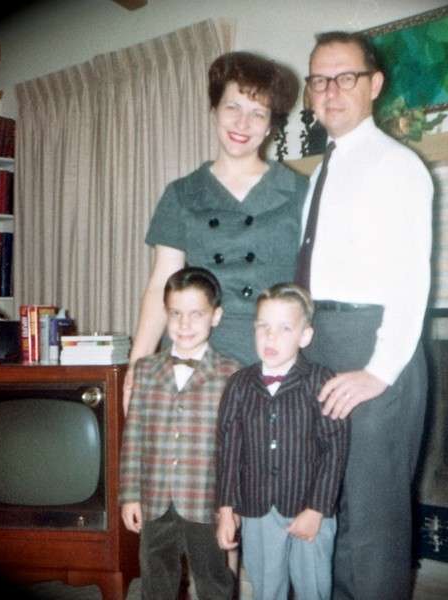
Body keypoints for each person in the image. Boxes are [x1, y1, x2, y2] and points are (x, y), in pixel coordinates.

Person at [298, 31, 434, 600]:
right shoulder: (319, 173)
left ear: (374, 85)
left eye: (345, 77)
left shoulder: (398, 166)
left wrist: (379, 371)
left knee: (374, 522)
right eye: (319, 80)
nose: (330, 91)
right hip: (320, 344)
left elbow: (411, 278)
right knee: (330, 508)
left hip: (372, 346)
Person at [124, 50, 307, 414]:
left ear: (270, 124)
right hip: (195, 351)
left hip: (271, 352)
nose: (242, 123)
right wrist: (137, 366)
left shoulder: (299, 192)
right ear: (214, 110)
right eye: (232, 107)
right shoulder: (182, 193)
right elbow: (162, 284)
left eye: (258, 113)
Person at [215, 282, 349, 600]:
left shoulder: (321, 380)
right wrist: (226, 510)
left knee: (313, 586)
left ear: (305, 336)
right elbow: (227, 451)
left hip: (310, 506)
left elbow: (335, 450)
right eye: (263, 326)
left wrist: (317, 509)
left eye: (284, 328)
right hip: (257, 509)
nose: (270, 337)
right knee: (266, 587)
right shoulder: (238, 384)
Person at [119, 266, 242, 600]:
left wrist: (230, 506)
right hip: (155, 499)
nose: (184, 324)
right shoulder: (145, 370)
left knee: (213, 578)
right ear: (166, 314)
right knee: (155, 578)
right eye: (175, 314)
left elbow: (236, 449)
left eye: (196, 314)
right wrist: (130, 495)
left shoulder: (232, 373)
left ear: (216, 316)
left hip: (206, 500)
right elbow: (133, 438)